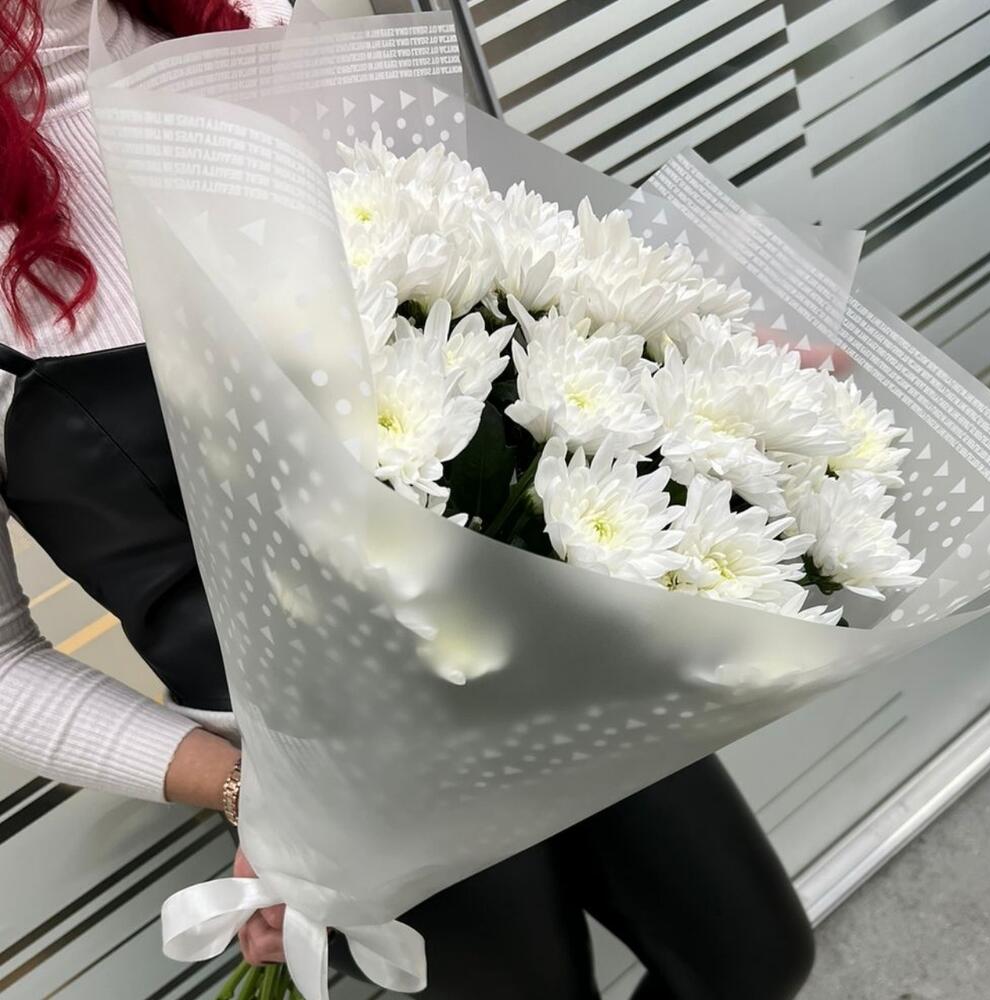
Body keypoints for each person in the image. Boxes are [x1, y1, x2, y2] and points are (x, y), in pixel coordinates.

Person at [0, 1, 816, 996]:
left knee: (752, 958)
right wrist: (251, 790)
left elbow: (491, 299)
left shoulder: (233, 32)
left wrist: (697, 372)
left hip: (540, 642)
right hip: (351, 767)